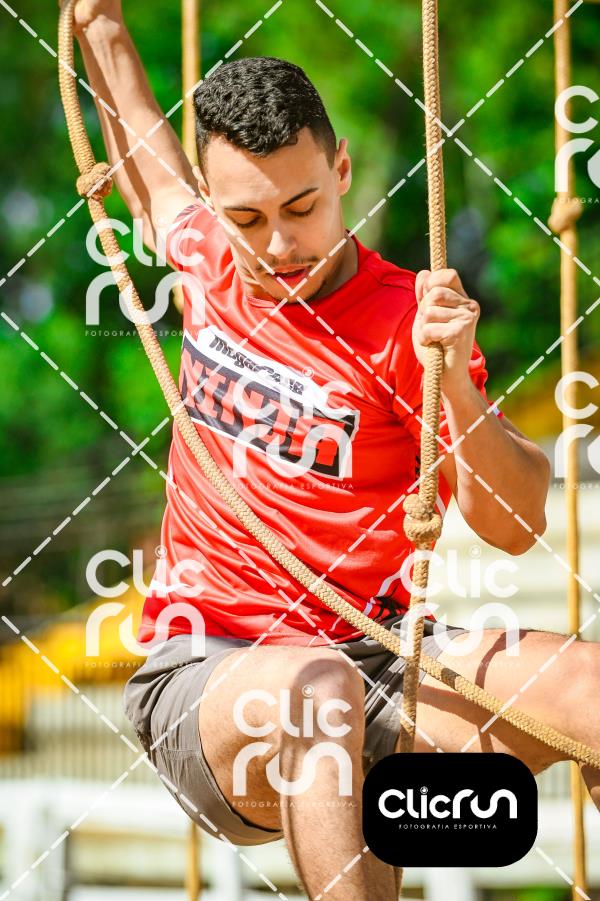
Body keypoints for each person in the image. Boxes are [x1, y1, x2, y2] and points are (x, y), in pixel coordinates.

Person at [72, 3, 600, 898]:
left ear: (343, 170)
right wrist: (97, 23)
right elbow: (135, 125)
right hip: (210, 678)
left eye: (303, 206)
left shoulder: (405, 319)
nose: (279, 244)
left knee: (588, 685)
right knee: (321, 690)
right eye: (246, 217)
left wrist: (457, 386)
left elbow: (513, 526)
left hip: (377, 658)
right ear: (215, 209)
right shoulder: (205, 256)